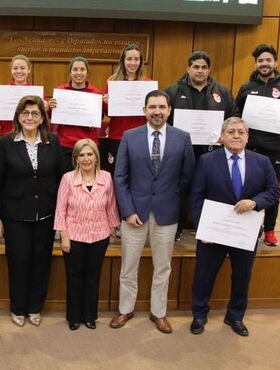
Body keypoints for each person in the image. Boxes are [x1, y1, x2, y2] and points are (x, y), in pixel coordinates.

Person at [110, 90, 195, 334]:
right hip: (134, 215)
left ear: (169, 110)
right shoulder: (129, 136)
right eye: (152, 107)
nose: (157, 111)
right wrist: (127, 211)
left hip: (166, 214)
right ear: (144, 110)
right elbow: (120, 177)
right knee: (128, 266)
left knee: (163, 267)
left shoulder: (182, 138)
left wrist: (170, 197)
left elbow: (187, 176)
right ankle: (125, 309)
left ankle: (159, 313)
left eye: (161, 107)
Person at [189, 117, 280, 337]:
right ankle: (199, 314)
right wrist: (204, 228)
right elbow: (196, 197)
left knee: (242, 276)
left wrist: (255, 202)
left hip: (245, 232)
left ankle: (235, 316)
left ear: (248, 137)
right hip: (214, 232)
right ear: (222, 136)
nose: (236, 135)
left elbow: (274, 191)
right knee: (204, 274)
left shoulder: (262, 162)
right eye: (231, 131)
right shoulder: (207, 161)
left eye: (241, 132)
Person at [0, 95, 64, 328]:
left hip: (45, 214)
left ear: (42, 117)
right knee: (19, 261)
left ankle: (34, 307)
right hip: (15, 215)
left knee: (41, 262)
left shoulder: (52, 140)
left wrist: (62, 216)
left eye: (34, 113)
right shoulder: (6, 142)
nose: (30, 117)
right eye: (25, 113)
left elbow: (61, 179)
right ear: (18, 117)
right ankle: (18, 307)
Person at [235, 44, 280, 247]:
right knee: (247, 187)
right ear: (256, 64)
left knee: (273, 189)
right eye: (260, 61)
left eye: (268, 60)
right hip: (249, 147)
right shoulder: (247, 87)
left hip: (275, 149)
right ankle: (249, 227)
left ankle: (270, 229)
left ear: (275, 62)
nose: (264, 64)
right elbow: (235, 111)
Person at [165, 51, 239, 240]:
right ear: (188, 68)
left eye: (204, 67)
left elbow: (234, 116)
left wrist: (226, 134)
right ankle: (178, 225)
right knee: (181, 188)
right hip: (181, 151)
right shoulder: (173, 91)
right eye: (196, 67)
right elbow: (163, 118)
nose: (200, 71)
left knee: (211, 188)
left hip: (212, 151)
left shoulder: (221, 92)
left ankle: (208, 227)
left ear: (209, 70)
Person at [54, 139, 120, 330]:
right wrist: (63, 235)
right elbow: (61, 208)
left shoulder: (106, 177)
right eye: (81, 155)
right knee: (74, 277)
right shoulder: (68, 178)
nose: (86, 158)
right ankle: (74, 316)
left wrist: (113, 229)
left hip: (99, 235)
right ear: (75, 158)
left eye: (90, 154)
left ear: (96, 157)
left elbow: (111, 205)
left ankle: (89, 316)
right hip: (74, 236)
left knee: (93, 276)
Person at [102, 43, 150, 175]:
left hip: (140, 136)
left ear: (140, 62)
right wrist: (106, 103)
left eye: (136, 59)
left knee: (138, 173)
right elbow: (108, 113)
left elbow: (151, 113)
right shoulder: (112, 81)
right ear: (123, 61)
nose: (133, 63)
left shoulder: (147, 83)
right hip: (117, 135)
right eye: (129, 59)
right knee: (116, 173)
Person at [48, 57, 103, 171]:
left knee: (88, 178)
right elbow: (51, 116)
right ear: (70, 72)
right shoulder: (60, 91)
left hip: (88, 144)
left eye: (82, 69)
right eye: (75, 69)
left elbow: (100, 117)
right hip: (65, 143)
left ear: (87, 72)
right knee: (65, 179)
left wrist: (94, 119)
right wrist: (50, 107)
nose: (78, 73)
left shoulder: (96, 93)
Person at [0, 54, 34, 135]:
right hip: (7, 136)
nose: (19, 71)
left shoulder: (35, 92)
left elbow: (42, 119)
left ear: (29, 70)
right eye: (15, 68)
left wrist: (45, 109)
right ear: (11, 70)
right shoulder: (2, 92)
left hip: (30, 136)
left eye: (22, 68)